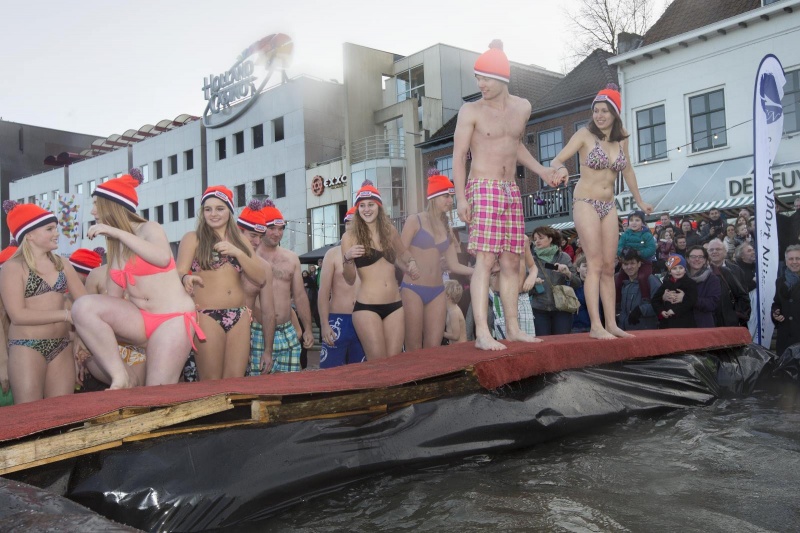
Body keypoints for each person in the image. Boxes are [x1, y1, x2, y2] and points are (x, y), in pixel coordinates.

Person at [453, 40, 556, 351]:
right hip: (482, 187)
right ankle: (483, 332)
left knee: (513, 261)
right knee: (485, 259)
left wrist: (542, 170)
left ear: (502, 79)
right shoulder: (470, 110)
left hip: (510, 189)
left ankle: (512, 328)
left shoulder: (522, 107)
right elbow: (459, 157)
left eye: (485, 79)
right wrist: (461, 198)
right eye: (477, 78)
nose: (480, 84)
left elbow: (515, 144)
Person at [71, 171, 203, 389]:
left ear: (113, 206)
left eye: (97, 204)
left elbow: (161, 258)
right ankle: (122, 377)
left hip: (172, 319)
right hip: (140, 321)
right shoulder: (114, 247)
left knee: (156, 393)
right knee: (83, 307)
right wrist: (85, 338)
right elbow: (112, 301)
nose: (93, 211)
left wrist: (117, 232)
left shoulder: (149, 228)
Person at [549, 83, 653, 339]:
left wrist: (639, 201)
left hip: (609, 205)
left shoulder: (622, 137)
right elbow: (557, 159)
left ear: (615, 113)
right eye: (596, 110)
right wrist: (561, 169)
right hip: (585, 201)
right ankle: (595, 326)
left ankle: (611, 324)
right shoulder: (584, 135)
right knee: (594, 263)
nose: (599, 115)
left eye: (605, 110)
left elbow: (627, 170)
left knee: (609, 266)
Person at [0, 202, 86, 403]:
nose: (57, 233)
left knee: (62, 415)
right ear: (29, 235)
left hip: (61, 346)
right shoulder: (13, 268)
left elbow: (85, 303)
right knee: (30, 417)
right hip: (26, 347)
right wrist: (66, 315)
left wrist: (82, 338)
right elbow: (18, 315)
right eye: (49, 229)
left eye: (55, 228)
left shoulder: (62, 264)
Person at [177, 187, 266, 380]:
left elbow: (260, 278)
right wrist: (186, 278)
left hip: (240, 315)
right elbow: (180, 270)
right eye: (208, 209)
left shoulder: (240, 239)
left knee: (236, 382)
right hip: (207, 315)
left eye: (219, 208)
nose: (213, 214)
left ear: (229, 210)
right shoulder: (193, 238)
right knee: (212, 383)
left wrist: (238, 253)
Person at [342, 180, 418, 359]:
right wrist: (348, 258)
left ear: (379, 207)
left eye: (371, 205)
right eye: (362, 206)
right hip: (367, 307)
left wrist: (412, 261)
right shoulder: (350, 237)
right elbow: (349, 278)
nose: (367, 209)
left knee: (393, 364)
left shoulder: (389, 231)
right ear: (358, 209)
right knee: (378, 364)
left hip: (395, 305)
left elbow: (404, 253)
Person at [400, 173, 474, 350]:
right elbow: (398, 254)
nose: (450, 200)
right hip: (413, 288)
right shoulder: (415, 220)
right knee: (413, 346)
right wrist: (409, 264)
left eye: (452, 196)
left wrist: (479, 271)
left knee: (434, 348)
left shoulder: (447, 227)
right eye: (446, 196)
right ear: (433, 197)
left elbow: (454, 265)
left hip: (437, 290)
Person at [257, 198, 315, 371]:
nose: (277, 233)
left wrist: (308, 329)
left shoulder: (291, 258)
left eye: (281, 228)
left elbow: (299, 296)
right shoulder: (250, 257)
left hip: (287, 330)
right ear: (261, 228)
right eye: (272, 228)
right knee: (256, 390)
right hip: (257, 331)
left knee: (290, 389)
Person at [318, 207, 365, 368]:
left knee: (362, 373)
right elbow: (323, 293)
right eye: (348, 224)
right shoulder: (332, 254)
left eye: (355, 223)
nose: (351, 227)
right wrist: (324, 324)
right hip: (338, 319)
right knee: (329, 373)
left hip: (364, 318)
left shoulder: (371, 253)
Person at [235, 200, 276, 377]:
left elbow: (268, 312)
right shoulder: (218, 257)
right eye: (252, 235)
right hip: (210, 331)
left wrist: (268, 350)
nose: (257, 241)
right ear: (239, 231)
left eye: (260, 236)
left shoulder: (263, 267)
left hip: (243, 335)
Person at [530, 226, 579, 336]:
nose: (537, 241)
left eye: (540, 238)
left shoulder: (563, 257)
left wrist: (567, 274)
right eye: (535, 239)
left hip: (562, 308)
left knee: (562, 344)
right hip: (539, 309)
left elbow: (577, 283)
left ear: (551, 238)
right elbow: (523, 289)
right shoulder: (531, 260)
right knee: (544, 345)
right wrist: (533, 284)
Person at [706, 238, 750, 327]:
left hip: (730, 322)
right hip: (709, 320)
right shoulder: (702, 271)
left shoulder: (736, 270)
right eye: (711, 250)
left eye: (718, 249)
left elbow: (743, 296)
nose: (714, 252)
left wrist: (737, 316)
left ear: (725, 252)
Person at [616, 210, 656, 301]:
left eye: (637, 220)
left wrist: (639, 253)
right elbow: (619, 247)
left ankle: (645, 299)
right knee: (619, 279)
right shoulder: (625, 234)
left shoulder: (646, 235)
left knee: (642, 277)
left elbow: (651, 249)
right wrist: (623, 250)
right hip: (628, 262)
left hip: (644, 262)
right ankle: (617, 302)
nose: (634, 222)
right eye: (631, 220)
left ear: (642, 222)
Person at [617, 250, 662, 331]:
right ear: (622, 266)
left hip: (646, 333)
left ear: (639, 264)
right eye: (626, 264)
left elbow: (661, 303)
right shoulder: (622, 283)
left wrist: (641, 310)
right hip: (625, 332)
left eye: (632, 263)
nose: (629, 267)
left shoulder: (650, 280)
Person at [652, 255, 697, 329]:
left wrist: (675, 311)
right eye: (674, 268)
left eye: (681, 268)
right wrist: (661, 311)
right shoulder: (666, 284)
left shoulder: (690, 283)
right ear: (670, 271)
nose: (678, 271)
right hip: (667, 323)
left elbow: (691, 301)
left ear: (685, 270)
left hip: (685, 323)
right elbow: (655, 300)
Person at [771, 245, 800, 357]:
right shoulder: (780, 281)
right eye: (791, 259)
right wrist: (776, 312)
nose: (794, 262)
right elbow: (777, 302)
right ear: (786, 261)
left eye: (798, 258)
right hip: (785, 337)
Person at [685, 245, 721, 328]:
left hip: (703, 324)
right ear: (687, 259)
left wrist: (688, 299)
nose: (697, 259)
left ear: (705, 260)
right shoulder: (680, 276)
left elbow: (712, 304)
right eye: (693, 257)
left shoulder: (712, 279)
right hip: (683, 324)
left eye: (700, 257)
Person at [443, 279, 467, 344]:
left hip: (460, 348)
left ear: (448, 296)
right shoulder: (450, 310)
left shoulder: (454, 312)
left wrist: (441, 333)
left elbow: (456, 336)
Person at [572, 257, 591, 333]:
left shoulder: (599, 285)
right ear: (578, 269)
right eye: (585, 266)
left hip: (594, 326)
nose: (588, 268)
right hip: (577, 327)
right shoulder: (573, 286)